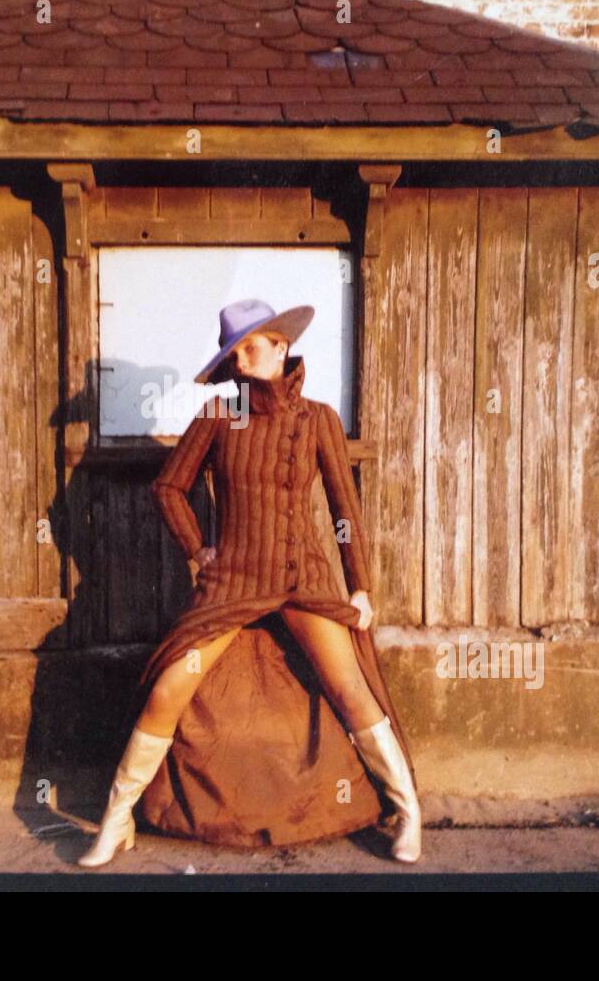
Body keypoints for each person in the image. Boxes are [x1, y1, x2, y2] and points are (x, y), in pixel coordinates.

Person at [77, 298, 422, 867]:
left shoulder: (318, 420)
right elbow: (168, 488)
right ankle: (117, 822)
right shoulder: (219, 417)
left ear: (281, 347)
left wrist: (360, 586)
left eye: (249, 347)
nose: (240, 360)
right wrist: (199, 549)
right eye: (233, 352)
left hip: (300, 577)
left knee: (350, 687)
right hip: (232, 582)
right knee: (169, 687)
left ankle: (407, 813)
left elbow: (344, 510)